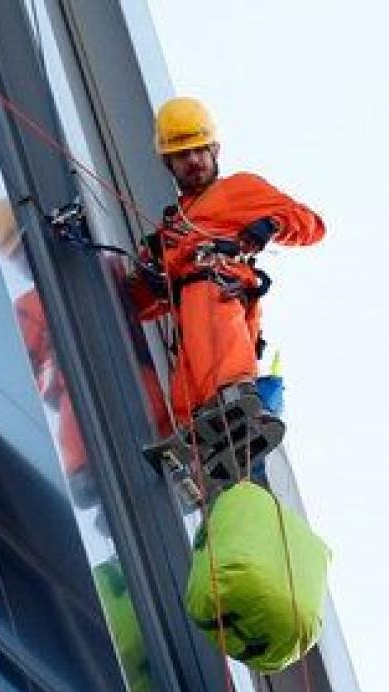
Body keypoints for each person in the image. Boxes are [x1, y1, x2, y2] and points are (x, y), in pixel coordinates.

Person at [130, 97, 325, 481]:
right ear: (168, 163)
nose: (194, 161)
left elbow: (310, 224)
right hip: (191, 322)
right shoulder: (171, 227)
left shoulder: (239, 189)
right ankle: (198, 435)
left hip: (221, 294)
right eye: (182, 155)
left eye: (200, 150)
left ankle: (234, 396)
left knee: (207, 305)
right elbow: (141, 305)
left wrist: (270, 224)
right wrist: (151, 281)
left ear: (215, 149)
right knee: (190, 365)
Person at [0, 197, 170, 508]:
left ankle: (166, 454)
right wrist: (57, 363)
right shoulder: (29, 308)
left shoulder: (99, 267)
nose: (28, 260)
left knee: (149, 396)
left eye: (25, 248)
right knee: (80, 412)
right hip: (80, 382)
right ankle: (87, 475)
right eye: (18, 256)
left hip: (129, 362)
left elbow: (140, 295)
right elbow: (25, 377)